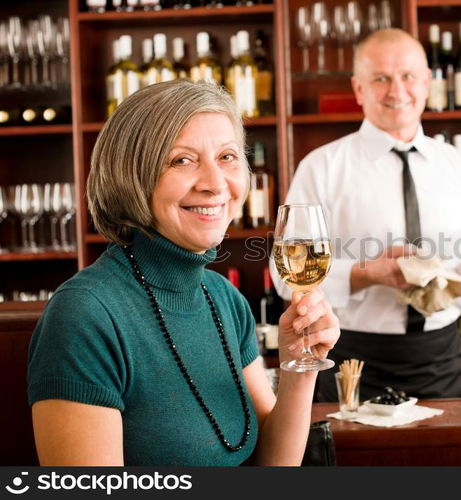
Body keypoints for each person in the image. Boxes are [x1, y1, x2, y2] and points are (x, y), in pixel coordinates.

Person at [27, 79, 340, 466]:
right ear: (133, 177)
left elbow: (274, 467)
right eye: (182, 160)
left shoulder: (224, 298)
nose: (215, 184)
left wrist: (299, 365)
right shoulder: (84, 316)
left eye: (227, 157)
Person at [272, 28, 461, 401]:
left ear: (427, 82)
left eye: (408, 76)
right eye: (381, 78)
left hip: (441, 359)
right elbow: (284, 278)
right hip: (350, 360)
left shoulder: (458, 166)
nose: (397, 91)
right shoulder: (321, 167)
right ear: (359, 89)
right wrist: (367, 274)